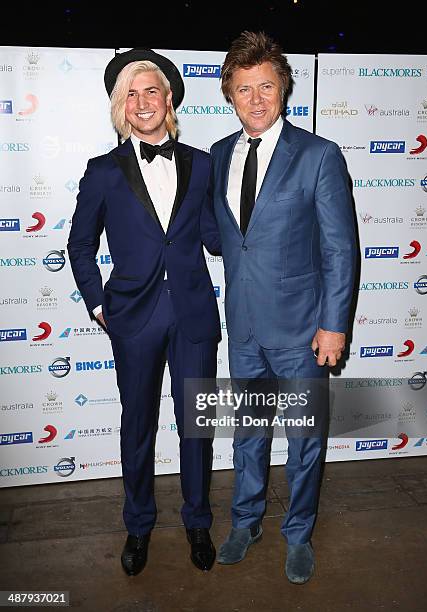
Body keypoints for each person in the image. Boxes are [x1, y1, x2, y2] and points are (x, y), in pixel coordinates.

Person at [209, 31, 356, 584]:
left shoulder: (319, 156)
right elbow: (225, 238)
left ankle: (298, 534)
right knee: (247, 434)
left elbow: (341, 248)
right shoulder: (220, 155)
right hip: (243, 326)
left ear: (283, 88)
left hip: (302, 332)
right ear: (230, 94)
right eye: (244, 89)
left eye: (265, 85)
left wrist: (333, 326)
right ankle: (245, 522)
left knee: (303, 440)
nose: (255, 98)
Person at [67, 48, 221, 576]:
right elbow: (80, 244)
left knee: (195, 425)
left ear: (169, 97)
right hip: (132, 316)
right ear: (120, 107)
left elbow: (213, 235)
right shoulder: (102, 172)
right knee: (137, 426)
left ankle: (198, 521)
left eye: (150, 90)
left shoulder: (202, 163)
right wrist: (95, 302)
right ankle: (138, 525)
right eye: (129, 94)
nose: (141, 101)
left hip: (195, 313)